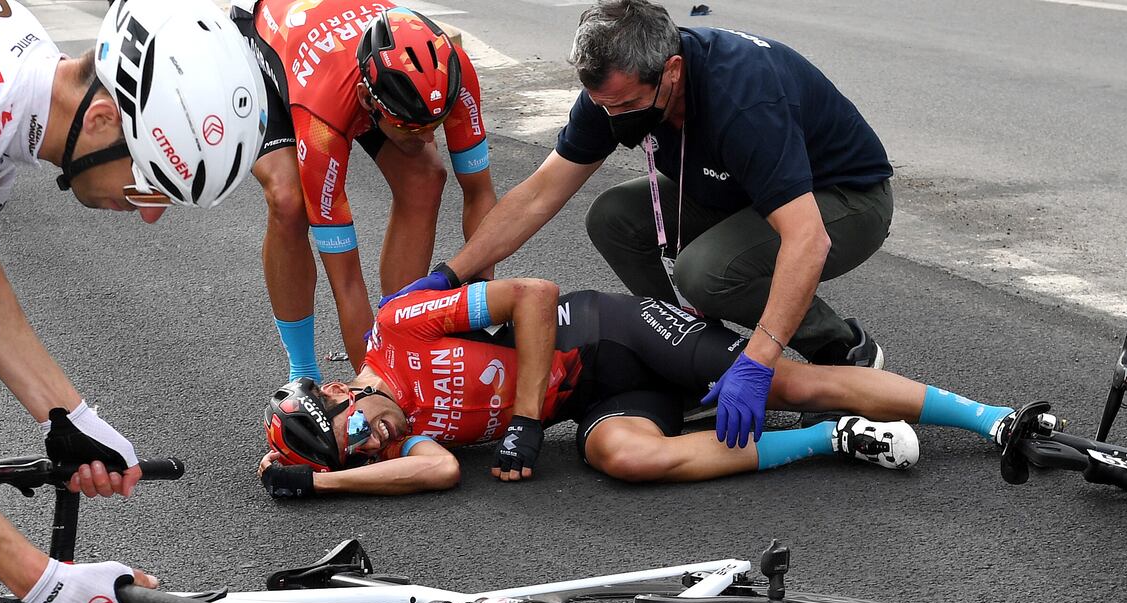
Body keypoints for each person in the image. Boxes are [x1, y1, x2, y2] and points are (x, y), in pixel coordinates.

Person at [384, 0, 897, 450]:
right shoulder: (615, 90)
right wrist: (450, 275)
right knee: (613, 218)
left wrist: (760, 361)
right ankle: (689, 359)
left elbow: (807, 237)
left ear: (672, 70)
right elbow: (540, 194)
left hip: (844, 201)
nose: (615, 118)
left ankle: (842, 349)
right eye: (605, 106)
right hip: (739, 192)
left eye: (627, 106)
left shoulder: (742, 98)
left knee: (707, 273)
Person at [0, 0, 265, 603]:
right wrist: (46, 582)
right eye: (148, 186)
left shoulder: (14, 51)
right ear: (104, 117)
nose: (149, 215)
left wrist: (68, 414)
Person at [258, 279, 1022, 497]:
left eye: (361, 433)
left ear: (338, 389)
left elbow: (531, 293)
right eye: (361, 456)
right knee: (629, 460)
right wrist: (317, 485)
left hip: (612, 329)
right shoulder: (412, 434)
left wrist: (524, 420)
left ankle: (992, 419)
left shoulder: (397, 330)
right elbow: (439, 469)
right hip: (599, 400)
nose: (379, 443)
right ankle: (834, 441)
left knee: (792, 381)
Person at [230, 0, 498, 380]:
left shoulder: (452, 66)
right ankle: (302, 371)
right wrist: (375, 389)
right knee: (289, 202)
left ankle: (404, 332)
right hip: (274, 55)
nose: (427, 137)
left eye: (434, 124)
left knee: (425, 175)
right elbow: (346, 280)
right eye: (412, 128)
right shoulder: (322, 120)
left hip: (348, 58)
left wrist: (484, 305)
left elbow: (480, 193)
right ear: (366, 100)